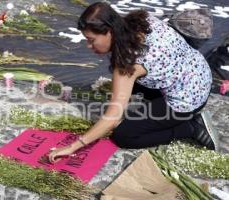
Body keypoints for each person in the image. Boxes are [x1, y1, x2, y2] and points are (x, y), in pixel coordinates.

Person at [48, 2, 218, 163]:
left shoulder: (127, 64)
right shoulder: (141, 20)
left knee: (123, 135)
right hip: (199, 74)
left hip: (188, 99)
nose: (89, 46)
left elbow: (112, 118)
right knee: (124, 86)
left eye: (91, 40)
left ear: (108, 31)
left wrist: (74, 146)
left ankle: (191, 127)